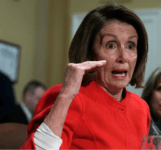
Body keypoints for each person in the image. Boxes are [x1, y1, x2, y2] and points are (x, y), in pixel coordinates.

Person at [20, 3, 150, 150]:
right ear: (90, 52)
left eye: (130, 46)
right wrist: (66, 96)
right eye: (110, 45)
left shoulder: (141, 108)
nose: (123, 57)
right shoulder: (69, 98)